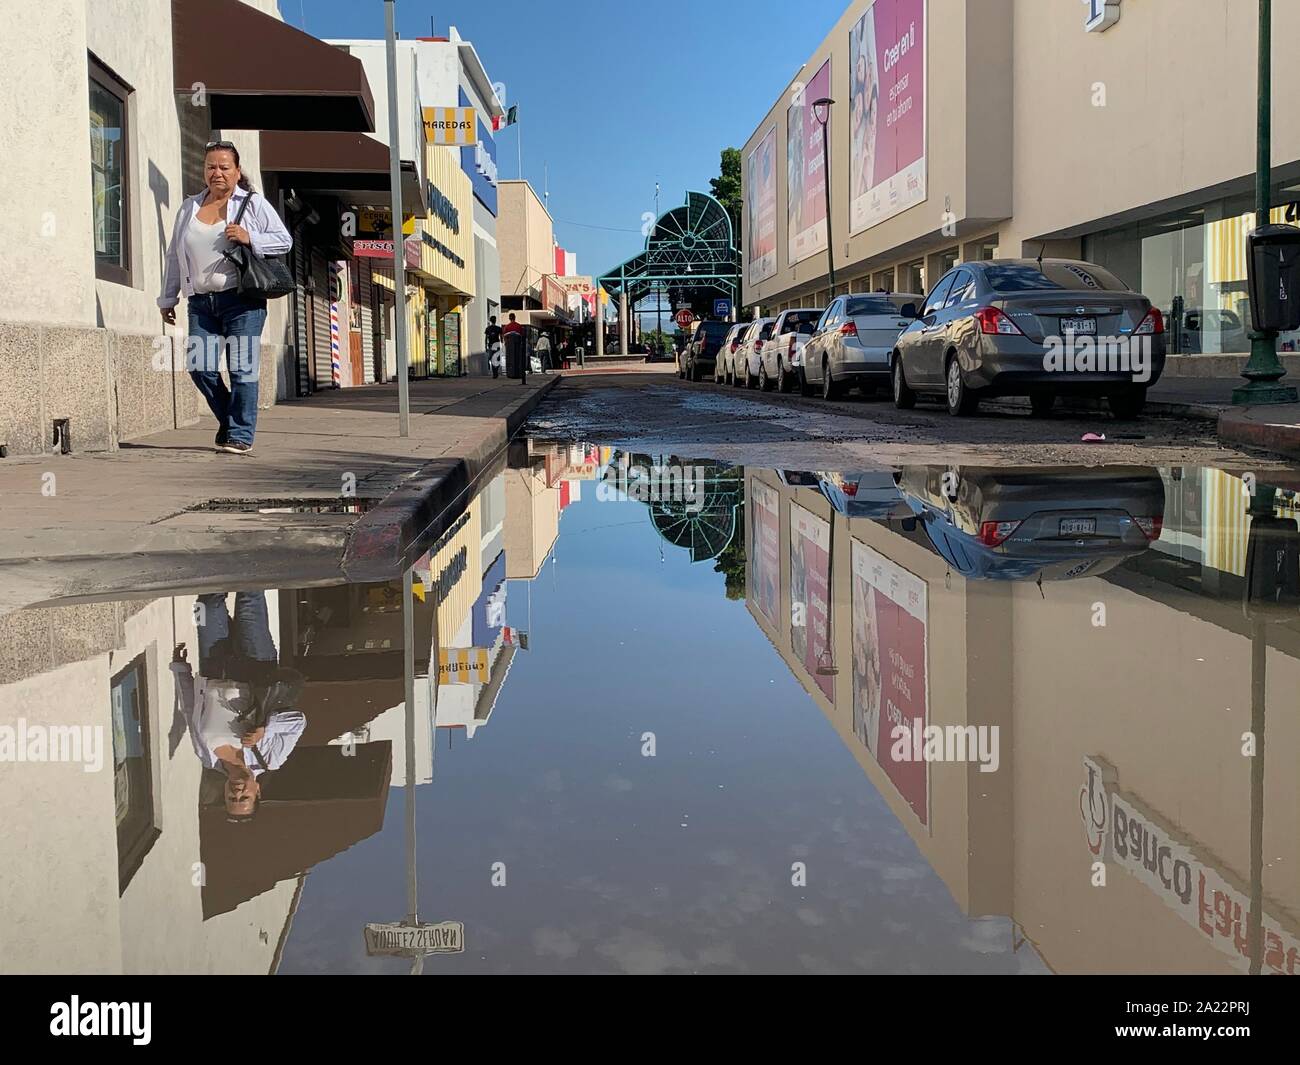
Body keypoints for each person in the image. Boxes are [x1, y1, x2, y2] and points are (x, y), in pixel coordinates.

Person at [159, 140, 292, 455]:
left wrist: (250, 237)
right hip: (201, 302)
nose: (216, 173)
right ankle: (232, 421)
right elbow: (175, 257)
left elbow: (284, 240)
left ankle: (240, 436)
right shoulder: (189, 207)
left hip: (242, 300)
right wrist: (167, 298)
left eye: (224, 167)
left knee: (242, 368)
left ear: (236, 171)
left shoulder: (252, 204)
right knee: (200, 367)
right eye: (210, 167)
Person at [171, 591, 306, 821]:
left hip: (213, 667)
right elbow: (298, 722)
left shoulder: (206, 756)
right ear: (257, 792)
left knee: (207, 605)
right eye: (244, 798)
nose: (237, 793)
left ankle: (209, 556)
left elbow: (190, 710)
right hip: (257, 666)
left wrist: (180, 669)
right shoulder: (272, 758)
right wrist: (265, 729)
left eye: (231, 799)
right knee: (249, 598)